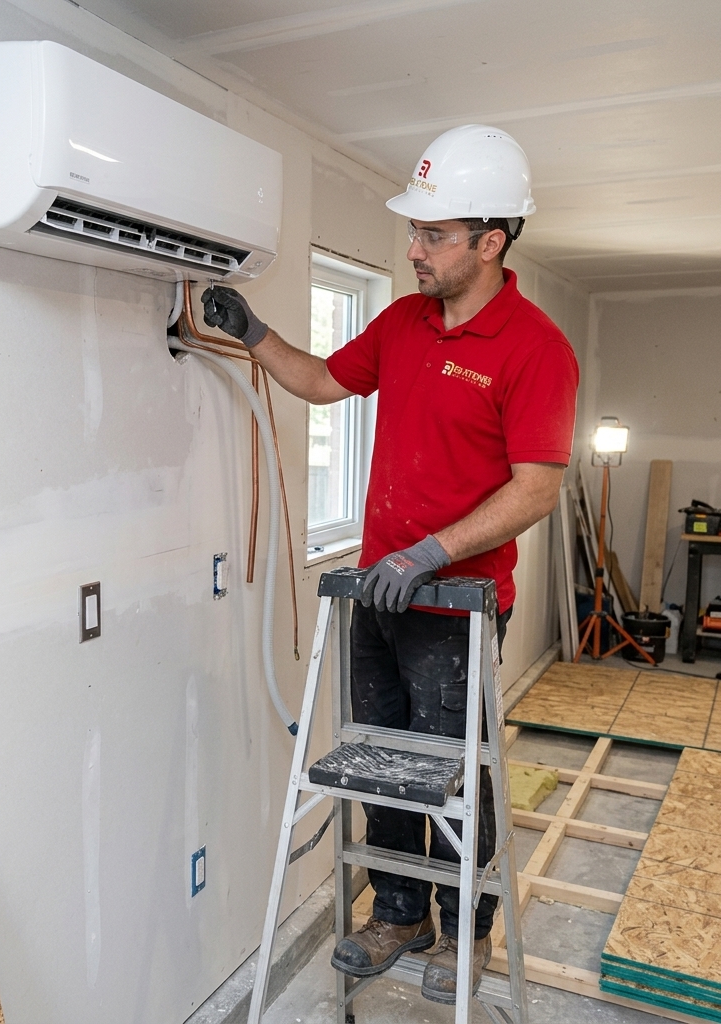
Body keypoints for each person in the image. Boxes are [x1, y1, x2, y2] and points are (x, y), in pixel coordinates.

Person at [201, 124, 579, 1005]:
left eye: (433, 235)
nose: (413, 250)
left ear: (491, 242)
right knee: (382, 766)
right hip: (377, 595)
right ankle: (401, 909)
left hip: (459, 609)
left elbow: (536, 490)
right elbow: (325, 382)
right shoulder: (404, 322)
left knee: (453, 779)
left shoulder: (535, 348)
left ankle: (463, 934)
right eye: (414, 232)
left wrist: (431, 552)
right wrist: (254, 332)